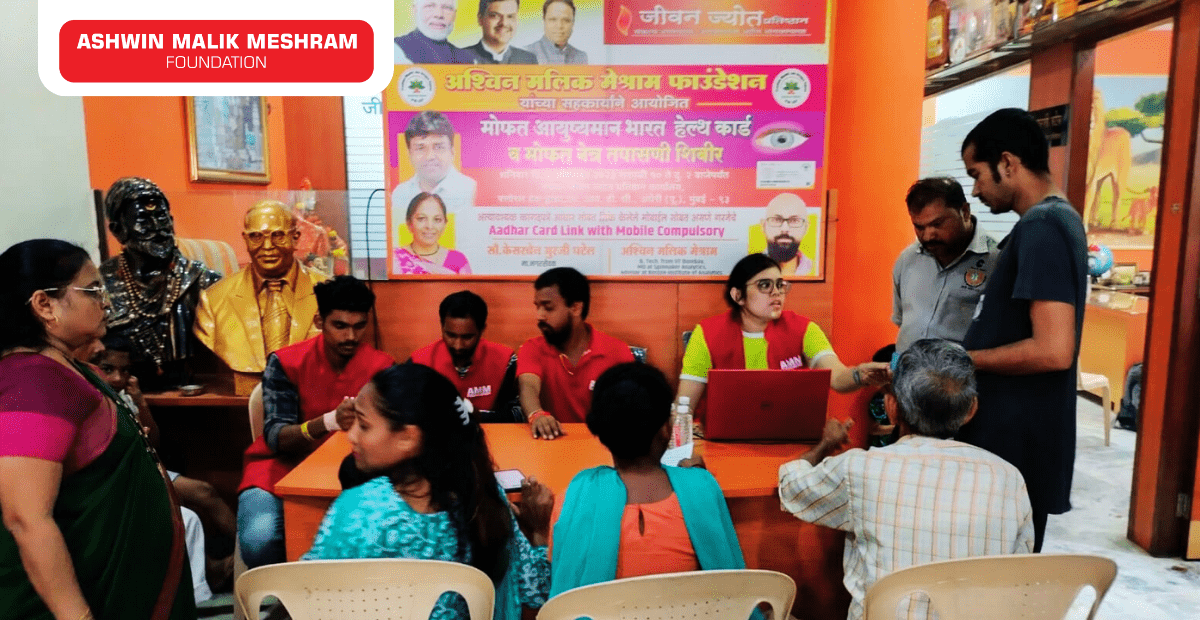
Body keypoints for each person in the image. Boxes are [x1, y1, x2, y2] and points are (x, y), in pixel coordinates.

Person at [0, 239, 194, 620]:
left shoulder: (70, 368)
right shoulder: (32, 382)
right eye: (92, 290)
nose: (105, 300)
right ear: (44, 305)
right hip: (90, 598)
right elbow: (26, 517)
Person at [778, 339, 1034, 620]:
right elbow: (1018, 573)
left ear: (891, 407)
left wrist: (824, 445)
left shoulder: (862, 469)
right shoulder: (1009, 479)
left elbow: (791, 486)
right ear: (970, 409)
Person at [303, 364, 553, 620]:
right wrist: (539, 533)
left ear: (408, 438)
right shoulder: (486, 497)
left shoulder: (358, 510)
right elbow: (535, 592)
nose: (351, 435)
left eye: (364, 425)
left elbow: (303, 598)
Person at [956, 108, 1088, 552]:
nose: (974, 190)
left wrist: (963, 360)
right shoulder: (1041, 226)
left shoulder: (1044, 228)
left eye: (977, 174)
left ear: (1008, 164)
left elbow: (1054, 350)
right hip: (1008, 438)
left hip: (1017, 443)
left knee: (998, 585)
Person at [237, 275, 395, 569]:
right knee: (259, 540)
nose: (351, 337)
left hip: (356, 474)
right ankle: (280, 608)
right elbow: (275, 436)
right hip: (279, 470)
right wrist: (329, 421)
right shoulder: (285, 362)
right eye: (341, 326)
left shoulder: (382, 367)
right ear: (319, 320)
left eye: (359, 326)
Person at [551, 363, 746, 596]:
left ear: (601, 434)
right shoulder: (703, 487)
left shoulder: (574, 497)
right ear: (666, 429)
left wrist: (536, 533)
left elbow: (560, 580)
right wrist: (696, 479)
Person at [88, 334, 237, 594]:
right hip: (124, 475)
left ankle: (244, 560)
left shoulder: (123, 395)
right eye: (108, 369)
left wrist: (140, 402)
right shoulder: (92, 398)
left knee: (205, 492)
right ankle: (215, 571)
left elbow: (153, 442)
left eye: (124, 371)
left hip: (145, 465)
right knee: (188, 511)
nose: (117, 378)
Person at [676, 254, 890, 428]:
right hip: (722, 442)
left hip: (789, 438)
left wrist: (860, 374)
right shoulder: (707, 334)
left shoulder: (804, 329)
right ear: (738, 295)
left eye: (780, 284)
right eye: (764, 285)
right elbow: (684, 406)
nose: (776, 292)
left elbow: (837, 378)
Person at [99, 176, 222, 390]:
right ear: (118, 230)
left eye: (162, 217)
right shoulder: (101, 286)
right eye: (144, 220)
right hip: (126, 396)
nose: (158, 228)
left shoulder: (205, 282)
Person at [194, 200, 328, 375]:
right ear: (245, 239)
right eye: (256, 236)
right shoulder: (213, 301)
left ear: (295, 237)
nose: (267, 247)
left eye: (278, 235)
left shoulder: (329, 293)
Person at [518, 267, 634, 440]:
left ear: (576, 308)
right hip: (552, 442)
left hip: (604, 446)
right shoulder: (532, 348)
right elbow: (528, 386)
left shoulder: (617, 351)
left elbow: (630, 408)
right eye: (537, 307)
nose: (539, 316)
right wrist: (537, 414)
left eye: (548, 308)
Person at [892, 177, 999, 353]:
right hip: (908, 375)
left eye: (937, 224)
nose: (928, 236)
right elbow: (902, 322)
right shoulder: (907, 259)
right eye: (919, 227)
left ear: (964, 212)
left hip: (962, 377)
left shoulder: (996, 261)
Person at [411, 291, 519, 422]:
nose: (458, 346)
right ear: (442, 327)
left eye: (467, 337)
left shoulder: (506, 360)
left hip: (491, 437)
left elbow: (518, 414)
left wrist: (477, 415)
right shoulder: (418, 362)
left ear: (482, 330)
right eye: (450, 335)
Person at [390, 111, 478, 246]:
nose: (430, 156)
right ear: (409, 154)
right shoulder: (400, 193)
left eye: (438, 147)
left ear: (452, 152)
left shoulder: (471, 189)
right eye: (420, 148)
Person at [393, 193, 473, 275]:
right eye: (421, 218)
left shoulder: (458, 260)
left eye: (437, 219)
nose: (430, 226)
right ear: (409, 223)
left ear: (445, 223)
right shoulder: (394, 259)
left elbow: (469, 288)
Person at [395, 0, 480, 64]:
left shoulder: (468, 59)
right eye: (430, 6)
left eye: (447, 8)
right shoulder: (395, 49)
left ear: (454, 14)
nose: (439, 14)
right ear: (415, 10)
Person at [761, 193, 815, 276]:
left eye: (794, 221)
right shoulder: (747, 268)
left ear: (806, 227)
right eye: (776, 220)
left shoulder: (815, 269)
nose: (785, 229)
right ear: (763, 226)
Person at [467, 0, 537, 64]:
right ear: (480, 19)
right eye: (495, 16)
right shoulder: (460, 58)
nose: (504, 23)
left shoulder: (528, 60)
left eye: (510, 16)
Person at [525, 0, 588, 64]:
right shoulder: (526, 54)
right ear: (544, 20)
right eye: (553, 19)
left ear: (573, 23)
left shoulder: (581, 57)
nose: (559, 26)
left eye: (566, 20)